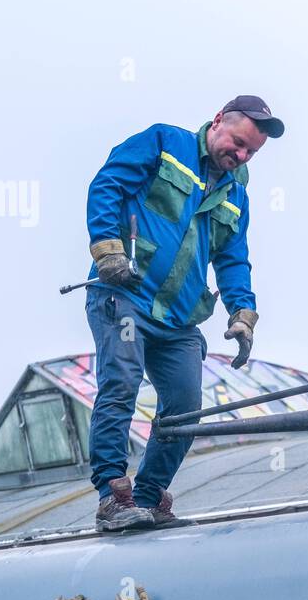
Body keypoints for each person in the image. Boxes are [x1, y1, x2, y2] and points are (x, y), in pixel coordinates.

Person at [85, 96, 284, 530]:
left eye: (251, 152)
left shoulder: (236, 195)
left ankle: (148, 497)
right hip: (126, 297)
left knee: (185, 406)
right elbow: (106, 186)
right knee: (121, 381)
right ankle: (111, 497)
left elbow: (233, 258)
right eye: (237, 143)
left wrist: (242, 312)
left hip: (177, 319)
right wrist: (107, 250)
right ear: (216, 122)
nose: (241, 156)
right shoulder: (163, 144)